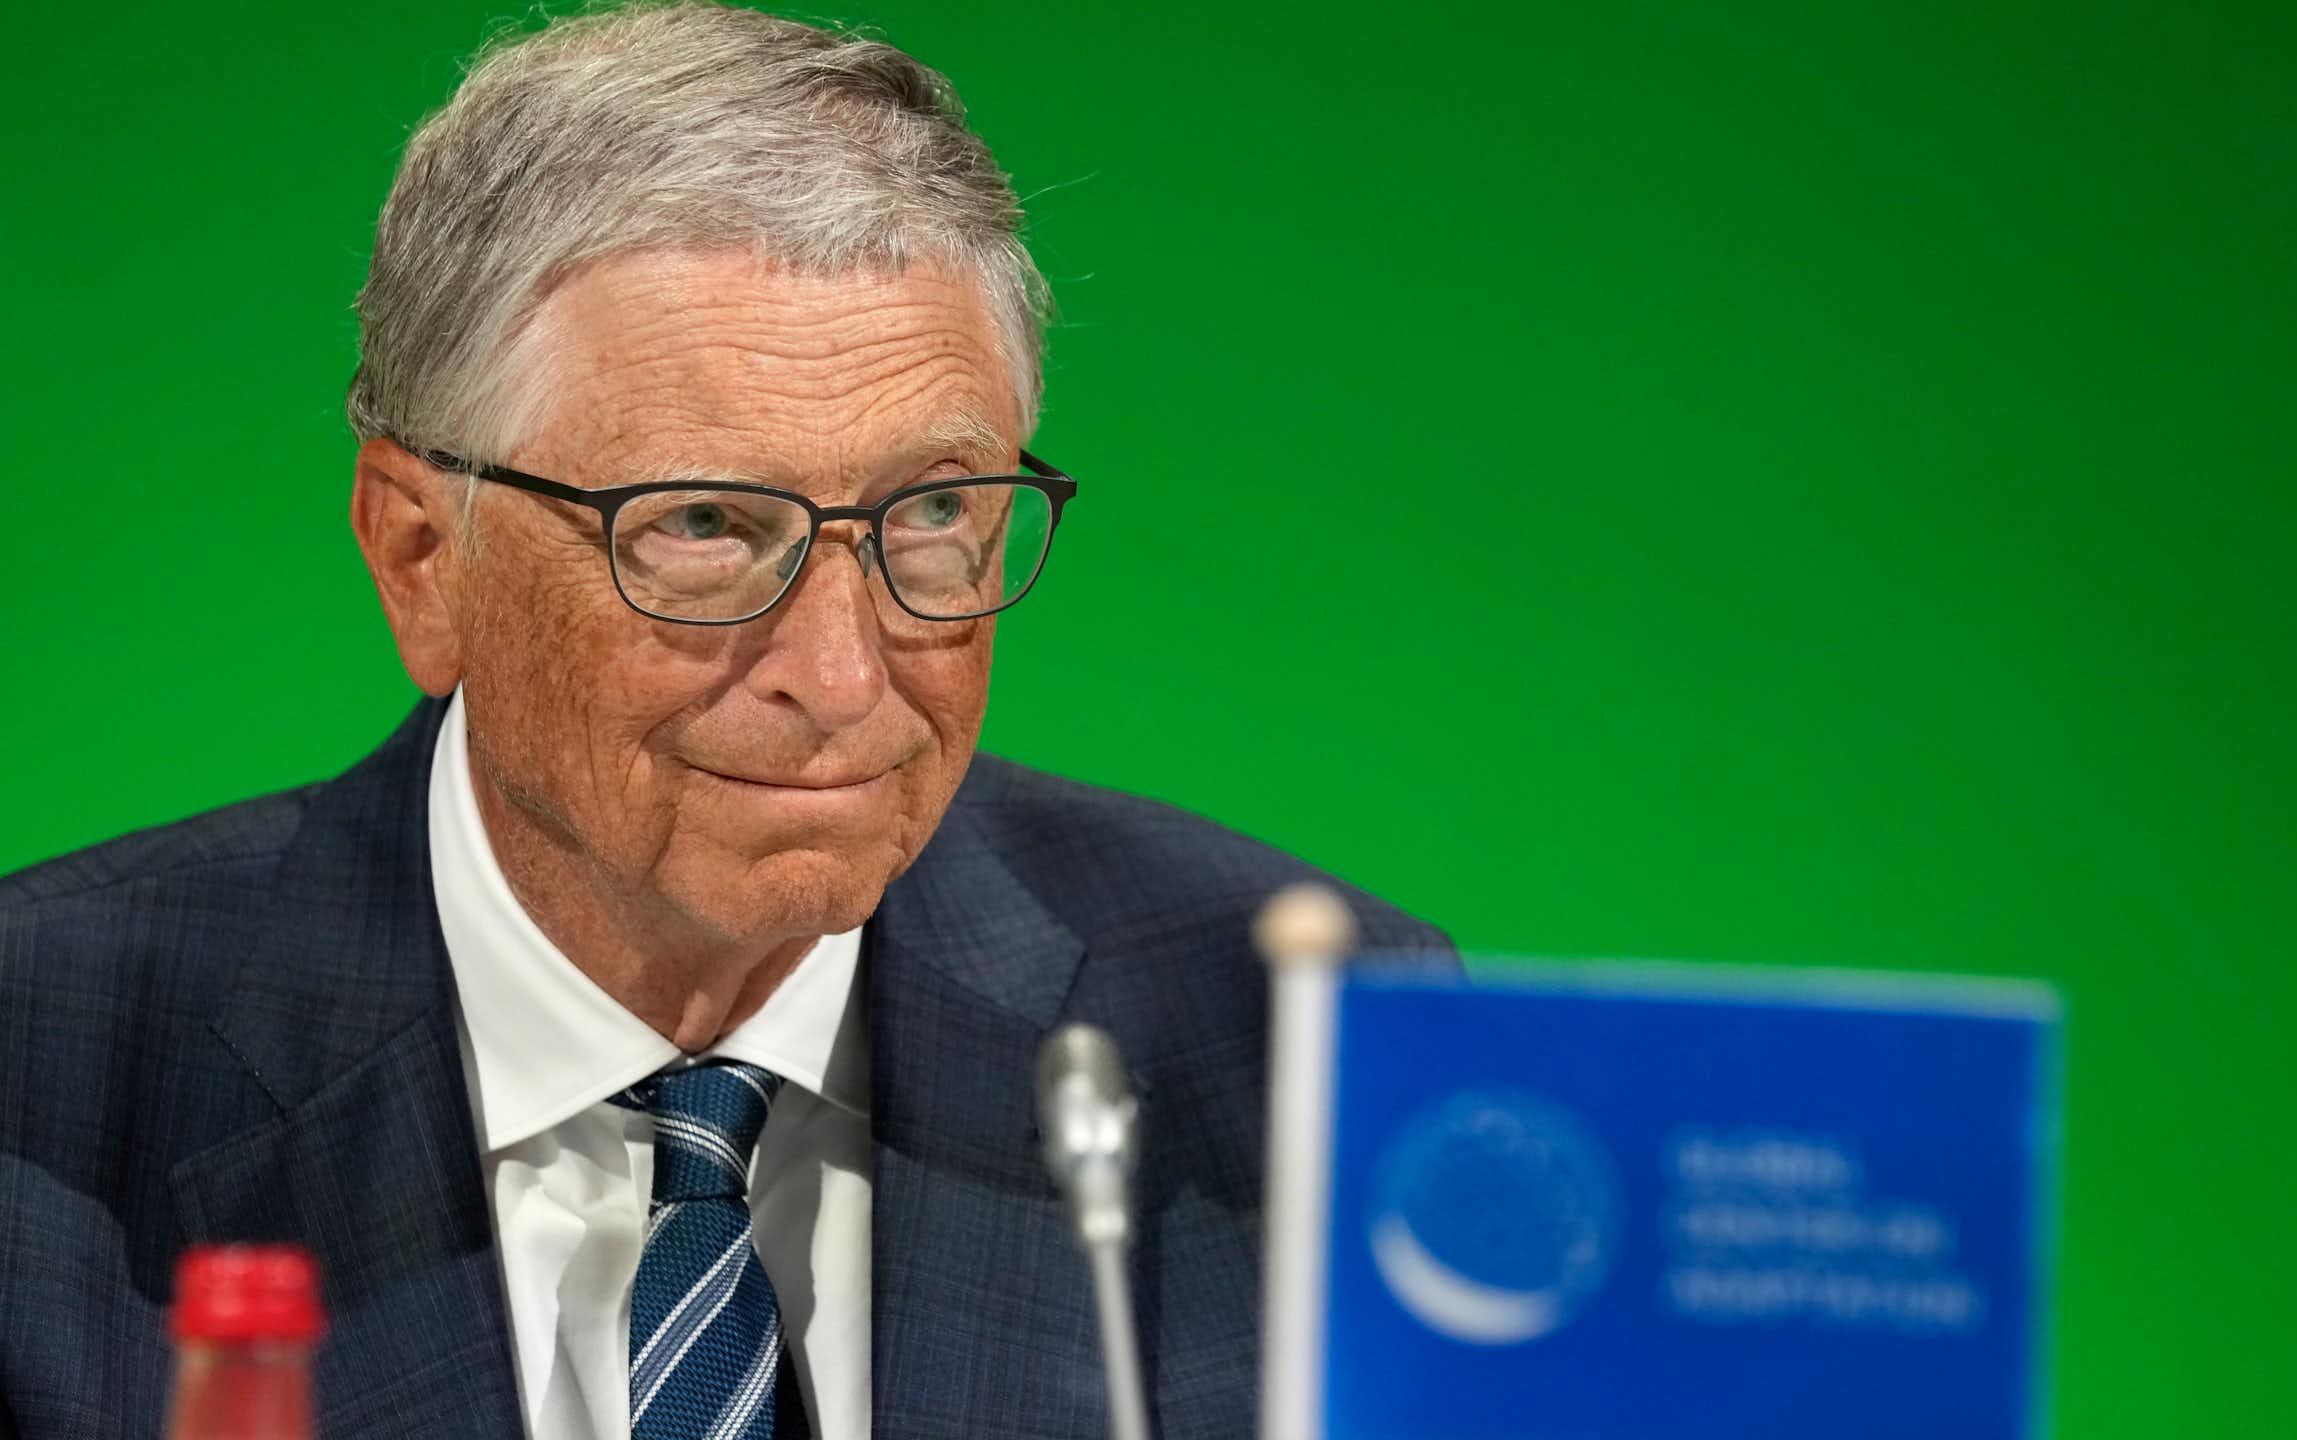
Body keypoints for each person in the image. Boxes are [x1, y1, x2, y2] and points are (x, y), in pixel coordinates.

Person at [0, 5, 1449, 1437]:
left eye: (933, 513)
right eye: (699, 525)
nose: (838, 677)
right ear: (421, 557)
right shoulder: (40, 1089)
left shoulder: (1310, 1061)